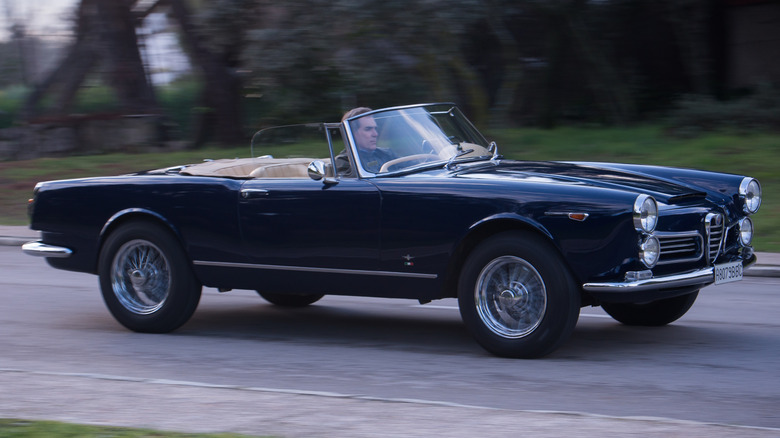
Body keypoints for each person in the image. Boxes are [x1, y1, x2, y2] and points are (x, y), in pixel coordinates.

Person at [336, 107, 397, 176]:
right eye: (368, 129)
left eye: (375, 128)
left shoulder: (387, 154)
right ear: (352, 133)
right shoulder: (344, 162)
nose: (375, 134)